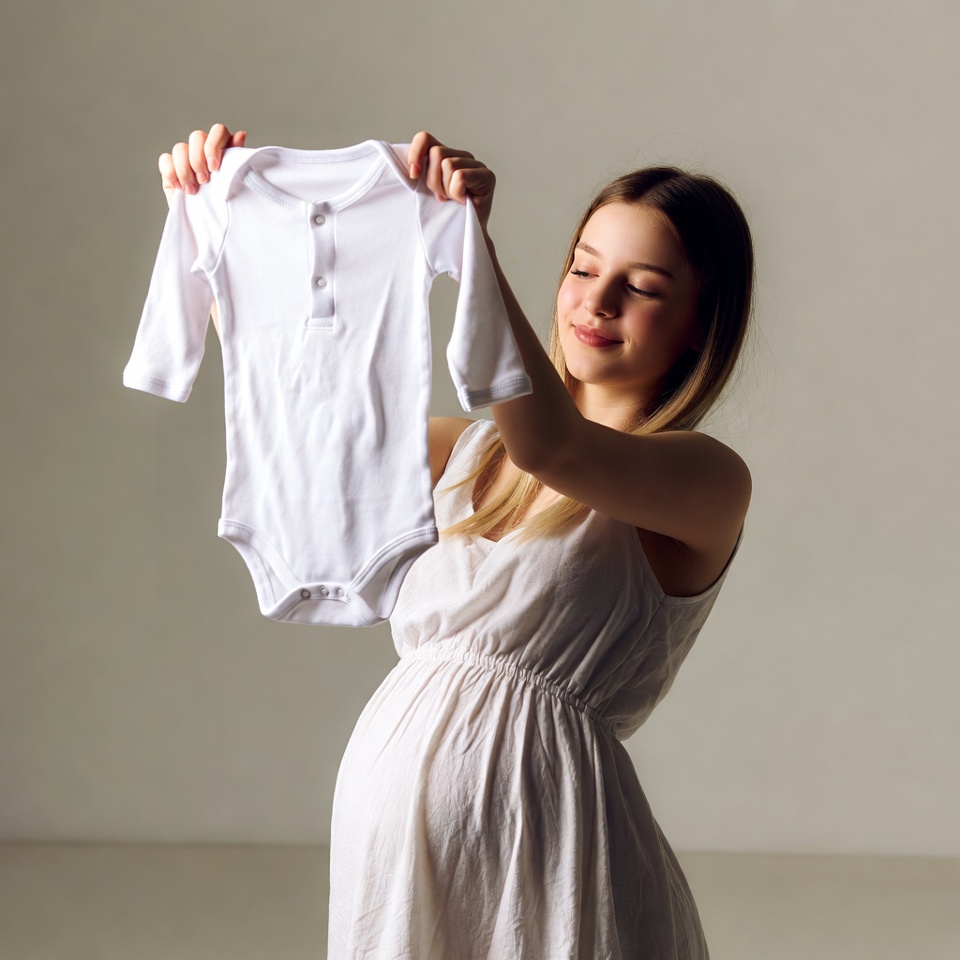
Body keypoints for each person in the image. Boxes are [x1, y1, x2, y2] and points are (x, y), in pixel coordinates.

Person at [160, 124, 754, 959]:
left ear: (701, 322)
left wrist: (469, 244)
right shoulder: (465, 452)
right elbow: (291, 420)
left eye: (642, 286)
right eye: (583, 267)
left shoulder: (704, 478)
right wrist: (210, 222)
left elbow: (558, 447)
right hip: (398, 856)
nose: (595, 301)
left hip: (550, 860)